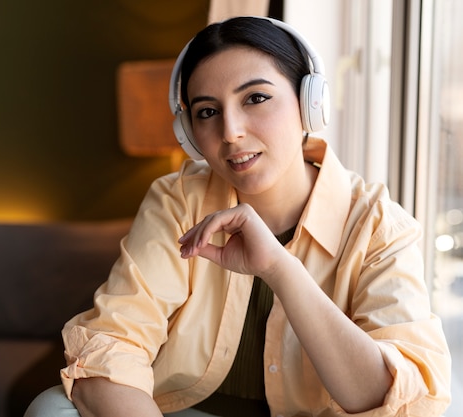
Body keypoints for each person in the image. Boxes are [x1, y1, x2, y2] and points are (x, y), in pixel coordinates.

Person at [24, 16, 451, 417]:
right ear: (189, 133)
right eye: (207, 112)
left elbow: (390, 398)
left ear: (310, 103)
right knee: (51, 407)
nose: (230, 132)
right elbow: (113, 341)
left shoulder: (379, 224)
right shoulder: (177, 199)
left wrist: (279, 268)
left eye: (256, 98)